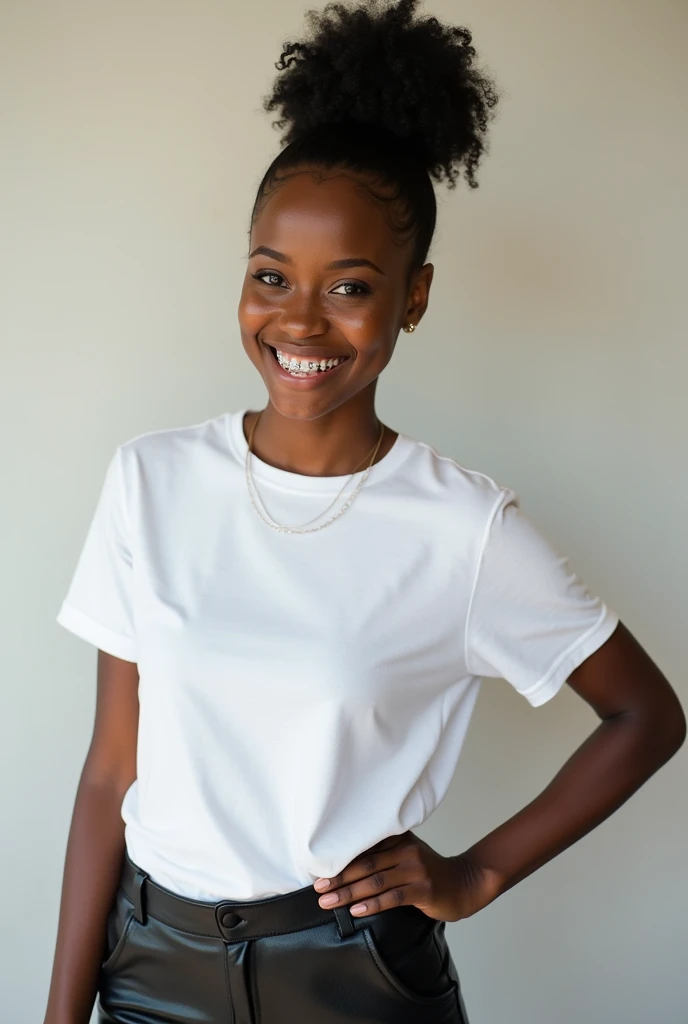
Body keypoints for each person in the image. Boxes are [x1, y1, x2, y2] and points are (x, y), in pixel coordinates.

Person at [44, 1, 685, 1022]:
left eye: (349, 286)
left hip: (351, 975)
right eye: (271, 277)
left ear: (413, 296)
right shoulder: (149, 480)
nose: (300, 320)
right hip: (146, 962)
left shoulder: (462, 529)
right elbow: (105, 776)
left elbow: (647, 716)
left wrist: (475, 875)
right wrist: (61, 1012)